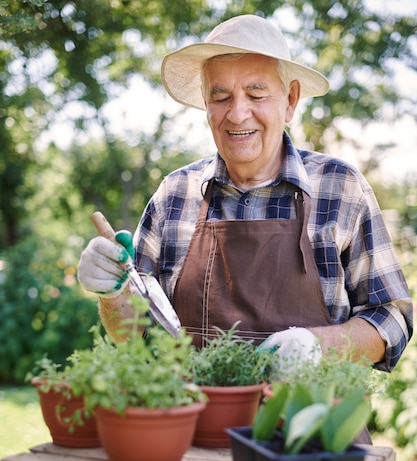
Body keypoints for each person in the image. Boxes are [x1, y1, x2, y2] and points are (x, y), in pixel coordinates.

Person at [78, 14, 413, 379]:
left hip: (315, 431)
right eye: (220, 96)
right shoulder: (173, 196)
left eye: (256, 93)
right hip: (195, 430)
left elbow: (392, 318)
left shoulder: (340, 188)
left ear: (290, 100)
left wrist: (318, 348)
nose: (237, 114)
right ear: (206, 105)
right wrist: (112, 297)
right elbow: (136, 334)